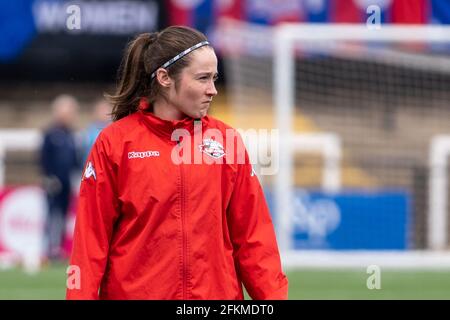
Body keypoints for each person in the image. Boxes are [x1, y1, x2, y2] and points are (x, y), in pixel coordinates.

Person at [66, 26, 288, 300]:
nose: (213, 90)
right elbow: (90, 244)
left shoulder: (226, 141)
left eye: (214, 78)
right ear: (164, 77)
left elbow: (254, 240)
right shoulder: (115, 143)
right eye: (203, 78)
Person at [40, 94, 79, 262]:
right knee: (51, 215)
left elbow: (75, 159)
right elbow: (43, 158)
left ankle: (59, 249)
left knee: (63, 216)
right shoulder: (50, 134)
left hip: (67, 183)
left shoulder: (71, 135)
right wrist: (49, 177)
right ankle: (49, 249)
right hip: (53, 183)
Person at [79, 98, 112, 163]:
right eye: (101, 110)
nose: (104, 113)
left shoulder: (114, 132)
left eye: (106, 110)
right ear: (95, 113)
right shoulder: (87, 133)